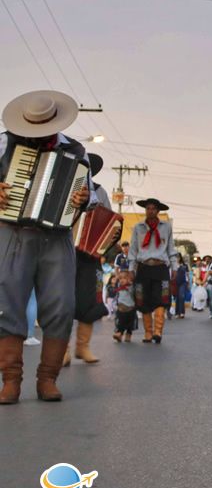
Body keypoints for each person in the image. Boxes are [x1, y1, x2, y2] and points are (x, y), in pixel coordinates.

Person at [0, 90, 92, 404]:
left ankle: (47, 380)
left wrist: (82, 200)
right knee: (7, 305)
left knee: (62, 304)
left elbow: (86, 196)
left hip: (58, 236)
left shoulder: (76, 150)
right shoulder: (3, 143)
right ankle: (10, 380)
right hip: (13, 233)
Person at [65, 153, 114, 367]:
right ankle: (62, 350)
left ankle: (82, 347)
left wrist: (103, 243)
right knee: (62, 301)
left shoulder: (100, 191)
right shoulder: (64, 185)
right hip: (63, 250)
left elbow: (111, 223)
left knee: (90, 301)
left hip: (90, 254)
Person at [127, 197, 178, 344]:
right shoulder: (138, 228)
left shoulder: (166, 227)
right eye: (148, 208)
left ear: (158, 211)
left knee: (162, 299)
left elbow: (171, 248)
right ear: (145, 210)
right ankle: (148, 333)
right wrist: (131, 268)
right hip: (143, 267)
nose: (150, 211)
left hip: (161, 267)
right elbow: (133, 249)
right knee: (143, 300)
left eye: (153, 208)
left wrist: (174, 267)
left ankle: (158, 332)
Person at [112, 271, 137, 343]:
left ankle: (128, 334)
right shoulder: (119, 286)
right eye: (120, 278)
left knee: (130, 323)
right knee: (120, 322)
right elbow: (116, 293)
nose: (122, 280)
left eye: (124, 278)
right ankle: (119, 334)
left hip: (130, 308)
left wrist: (130, 284)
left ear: (129, 279)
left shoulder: (131, 287)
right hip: (121, 308)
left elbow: (133, 292)